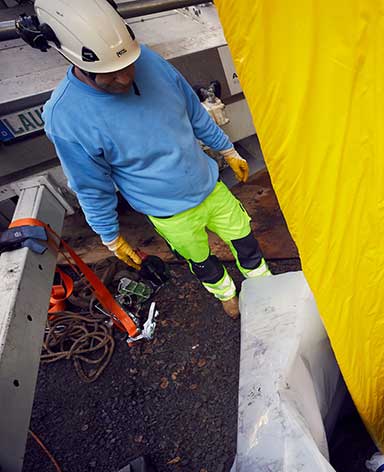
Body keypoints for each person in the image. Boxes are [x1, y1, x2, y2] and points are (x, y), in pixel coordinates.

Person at [25, 0, 269, 318]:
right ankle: (225, 292)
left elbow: (193, 111)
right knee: (201, 260)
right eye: (110, 75)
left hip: (210, 186)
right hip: (169, 214)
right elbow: (90, 185)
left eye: (129, 66)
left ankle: (264, 286)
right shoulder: (66, 117)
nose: (125, 78)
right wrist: (110, 236)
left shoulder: (149, 61)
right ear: (75, 61)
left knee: (245, 239)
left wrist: (227, 149)